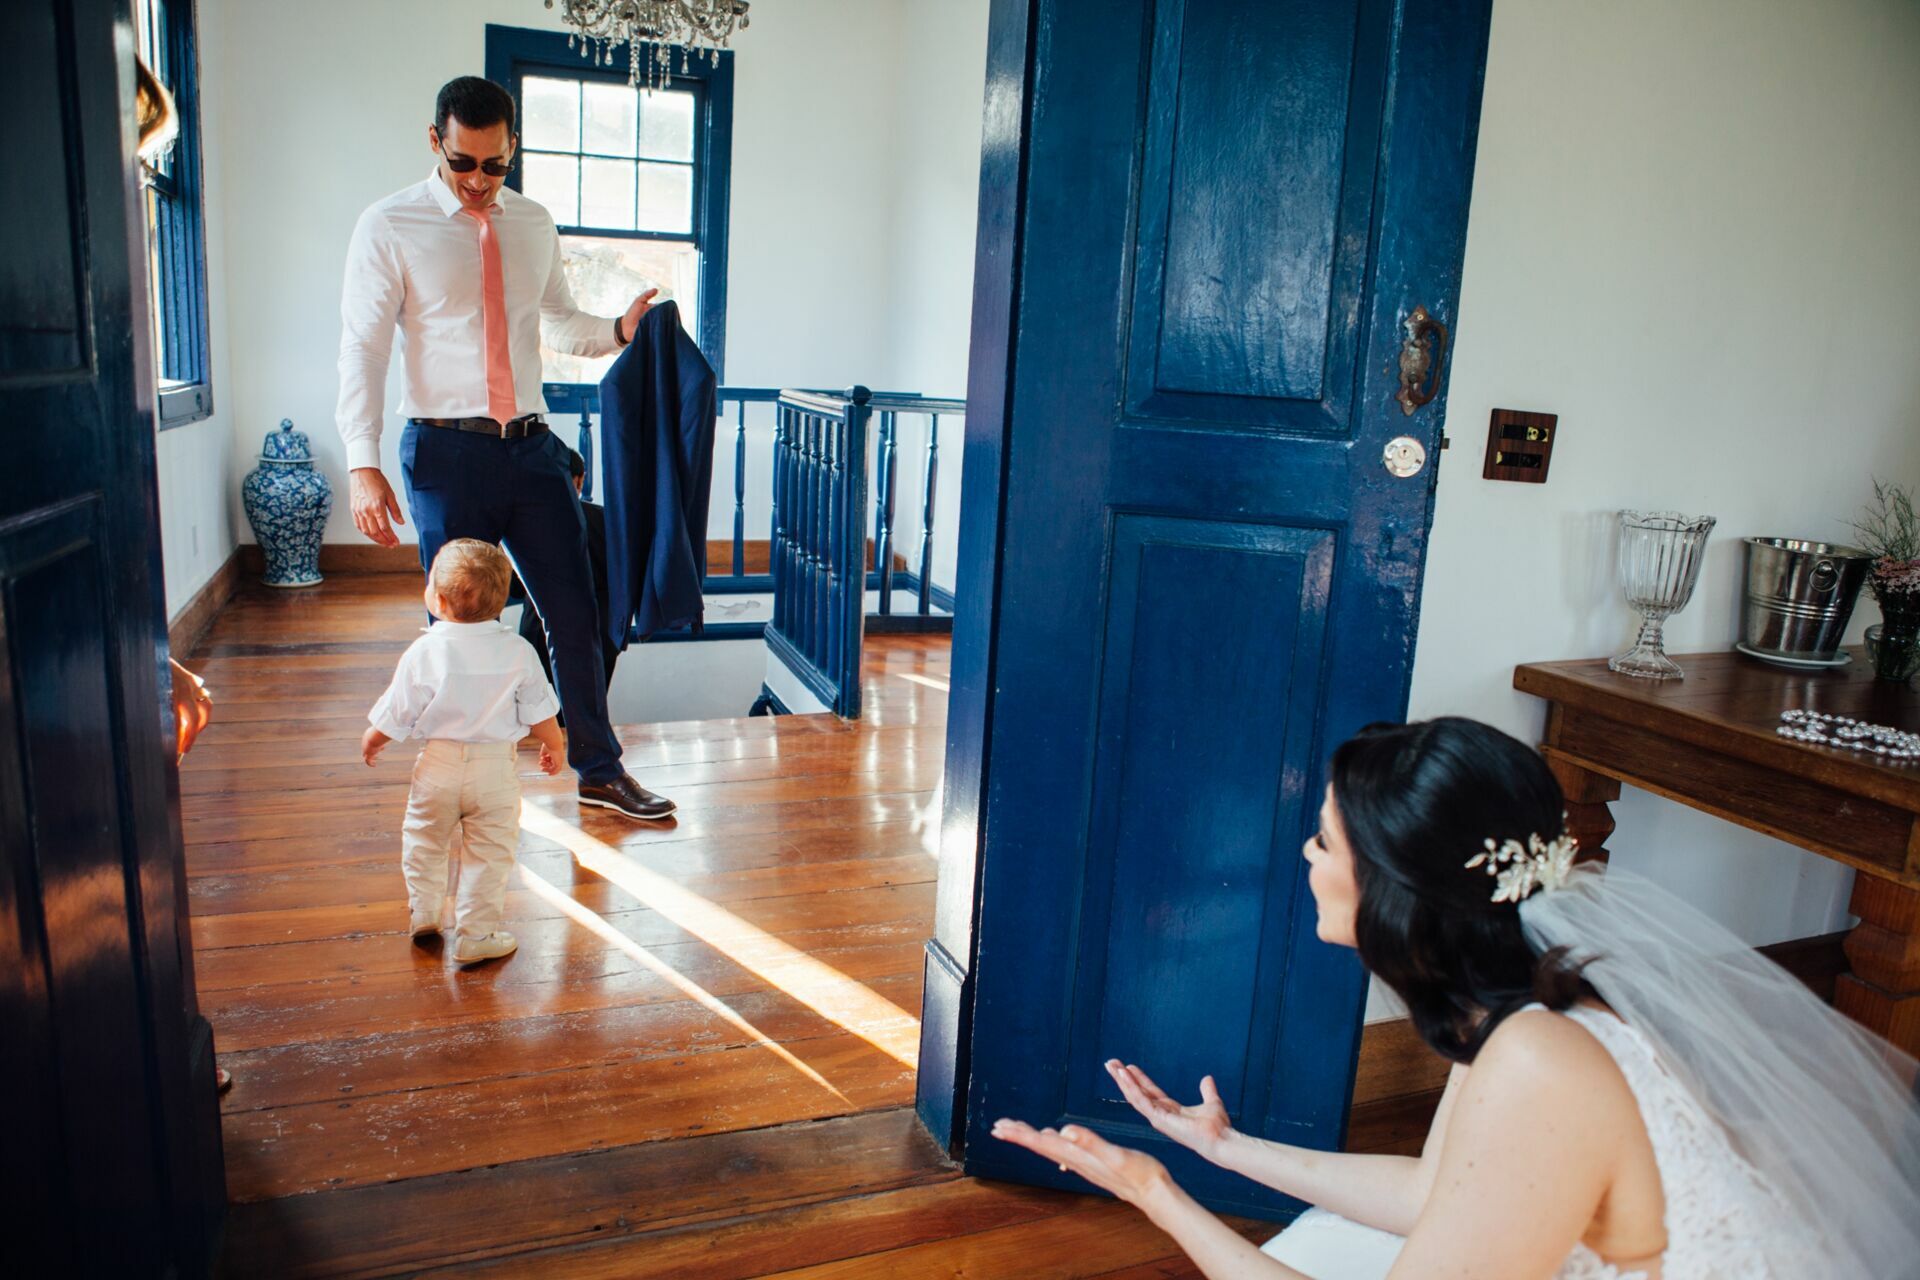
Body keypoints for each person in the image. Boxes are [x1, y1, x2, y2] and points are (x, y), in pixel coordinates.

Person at [994, 717, 1920, 1279]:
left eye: (1325, 842)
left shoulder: (1539, 1059)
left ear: (1394, 893)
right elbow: (1431, 1193)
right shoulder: (1520, 1007)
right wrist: (1222, 1149)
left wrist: (1155, 1192)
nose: (1306, 855)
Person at [337, 75, 672, 821]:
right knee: (458, 630)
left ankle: (599, 768)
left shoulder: (532, 221)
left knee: (577, 612)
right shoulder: (389, 224)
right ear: (436, 142)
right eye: (463, 162)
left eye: (495, 165)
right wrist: (362, 461)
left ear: (512, 148)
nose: (478, 180)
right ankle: (464, 782)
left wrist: (618, 331)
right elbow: (363, 347)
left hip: (531, 447)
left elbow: (557, 322)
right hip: (445, 452)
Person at [360, 539, 565, 965]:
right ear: (502, 600)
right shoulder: (519, 651)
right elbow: (538, 710)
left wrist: (374, 738)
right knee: (489, 854)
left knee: (424, 839)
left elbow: (400, 709)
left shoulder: (424, 651)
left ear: (437, 599)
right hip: (495, 772)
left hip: (438, 766)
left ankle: (424, 911)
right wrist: (554, 744)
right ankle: (476, 934)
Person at [513, 447, 618, 694]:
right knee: (592, 707)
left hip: (540, 632)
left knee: (541, 709)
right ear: (579, 480)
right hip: (599, 631)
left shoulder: (524, 524)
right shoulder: (609, 522)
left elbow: (515, 589)